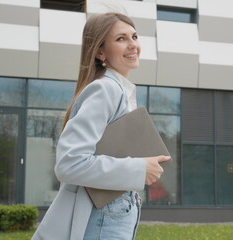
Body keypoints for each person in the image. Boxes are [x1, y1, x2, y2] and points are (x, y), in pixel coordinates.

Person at [32, 12, 170, 240]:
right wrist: (139, 169)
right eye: (121, 39)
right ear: (99, 52)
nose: (133, 45)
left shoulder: (121, 91)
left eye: (134, 36)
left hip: (113, 211)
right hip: (104, 215)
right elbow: (69, 163)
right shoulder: (105, 89)